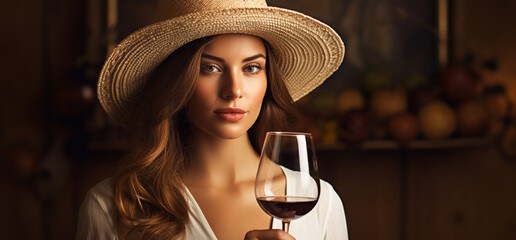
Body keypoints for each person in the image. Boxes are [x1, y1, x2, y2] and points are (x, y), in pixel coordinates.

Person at [76, 0, 347, 239]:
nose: (234, 90)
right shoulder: (113, 206)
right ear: (176, 81)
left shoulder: (322, 204)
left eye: (252, 67)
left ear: (268, 80)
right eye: (210, 68)